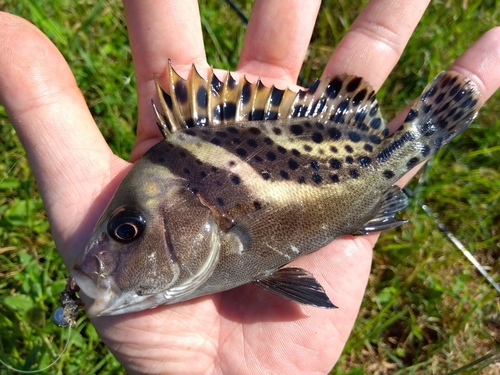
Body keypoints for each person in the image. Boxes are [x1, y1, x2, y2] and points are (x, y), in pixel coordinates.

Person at [0, 1, 499, 374]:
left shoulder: (204, 205)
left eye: (127, 230)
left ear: (204, 210)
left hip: (344, 166)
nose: (98, 260)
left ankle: (426, 132)